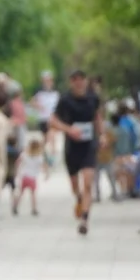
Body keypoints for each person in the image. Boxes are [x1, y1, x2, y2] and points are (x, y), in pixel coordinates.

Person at [48, 70, 103, 235]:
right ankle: (79, 198)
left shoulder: (93, 98)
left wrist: (102, 135)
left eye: (81, 80)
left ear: (85, 81)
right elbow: (53, 121)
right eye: (75, 80)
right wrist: (69, 129)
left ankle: (84, 219)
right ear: (71, 82)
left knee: (88, 183)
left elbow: (97, 117)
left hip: (89, 144)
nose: (79, 83)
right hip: (72, 145)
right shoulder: (65, 100)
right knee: (74, 184)